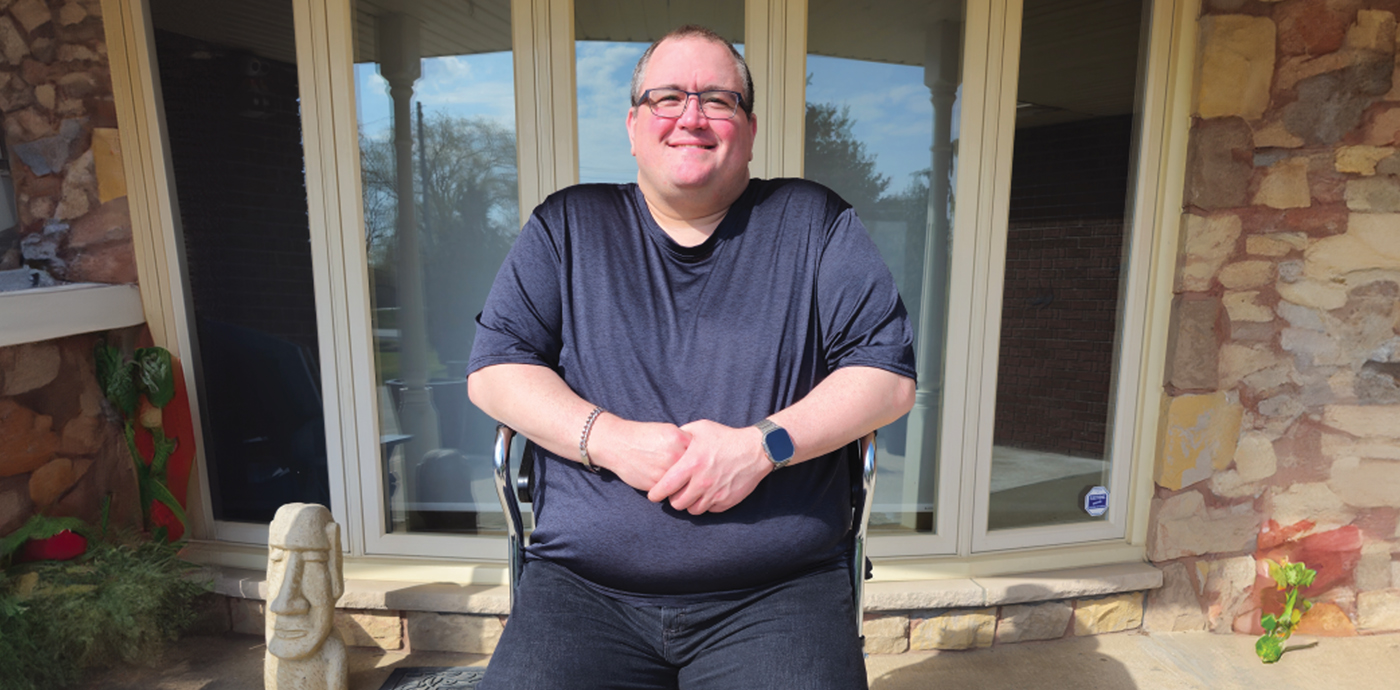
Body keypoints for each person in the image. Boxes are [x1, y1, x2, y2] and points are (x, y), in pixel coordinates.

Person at [467, 24, 916, 689]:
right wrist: (612, 440)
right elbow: (495, 369)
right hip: (584, 590)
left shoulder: (813, 223)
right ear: (633, 123)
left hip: (778, 594)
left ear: (750, 127)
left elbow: (887, 377)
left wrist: (762, 447)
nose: (692, 117)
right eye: (667, 97)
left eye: (718, 99)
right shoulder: (568, 227)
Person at [264, 502, 347, 690]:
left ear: (336, 579)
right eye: (277, 558)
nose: (282, 604)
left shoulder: (332, 653)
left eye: (312, 560)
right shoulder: (275, 649)